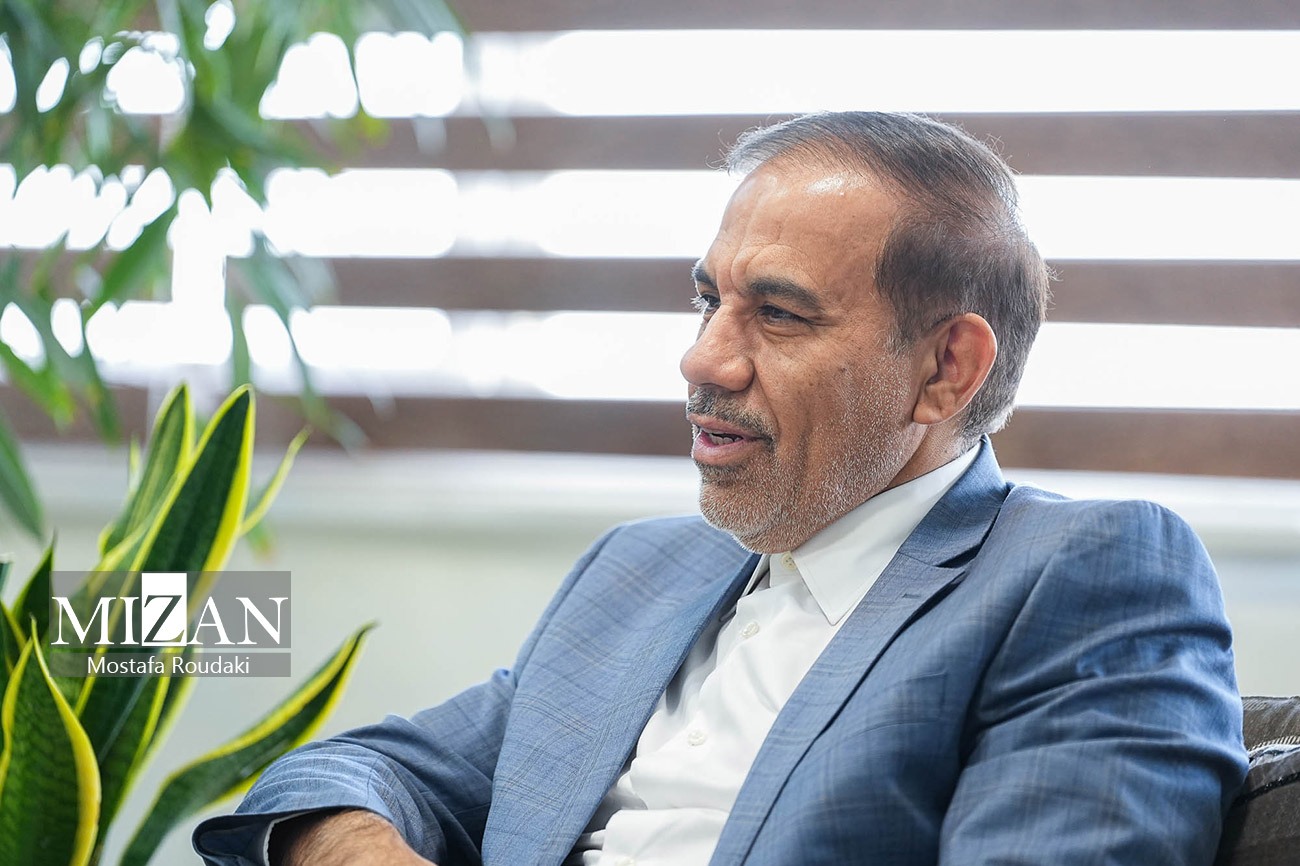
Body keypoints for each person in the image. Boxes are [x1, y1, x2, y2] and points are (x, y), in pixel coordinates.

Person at [194, 111, 1247, 866]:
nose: (702, 358)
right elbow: (354, 771)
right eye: (708, 300)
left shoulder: (1084, 575)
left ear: (946, 369)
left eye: (779, 314)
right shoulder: (641, 569)